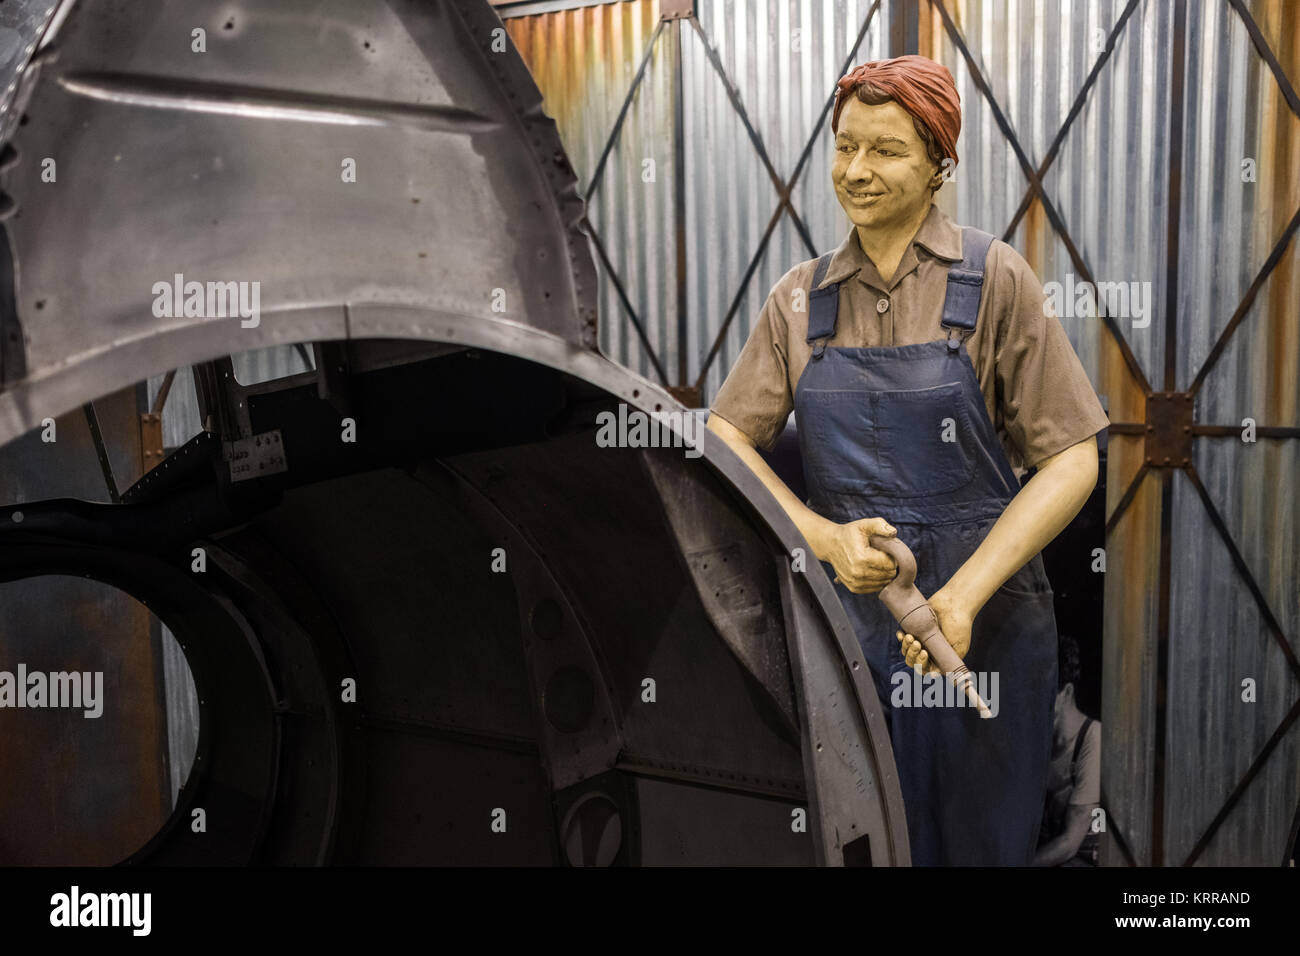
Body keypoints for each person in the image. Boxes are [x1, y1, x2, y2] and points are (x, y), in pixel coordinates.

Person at [706, 55, 1108, 865]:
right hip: (846, 631)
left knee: (977, 843)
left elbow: (1072, 459)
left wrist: (959, 598)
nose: (856, 171)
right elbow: (723, 440)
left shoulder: (993, 279)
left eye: (885, 150)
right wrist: (820, 537)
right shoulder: (799, 299)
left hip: (982, 631)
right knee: (854, 840)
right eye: (845, 146)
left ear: (937, 165)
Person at [1035, 633, 1102, 866]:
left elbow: (1069, 843)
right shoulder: (1041, 743)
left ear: (1067, 692)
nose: (1038, 706)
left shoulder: (1092, 739)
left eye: (1047, 696)